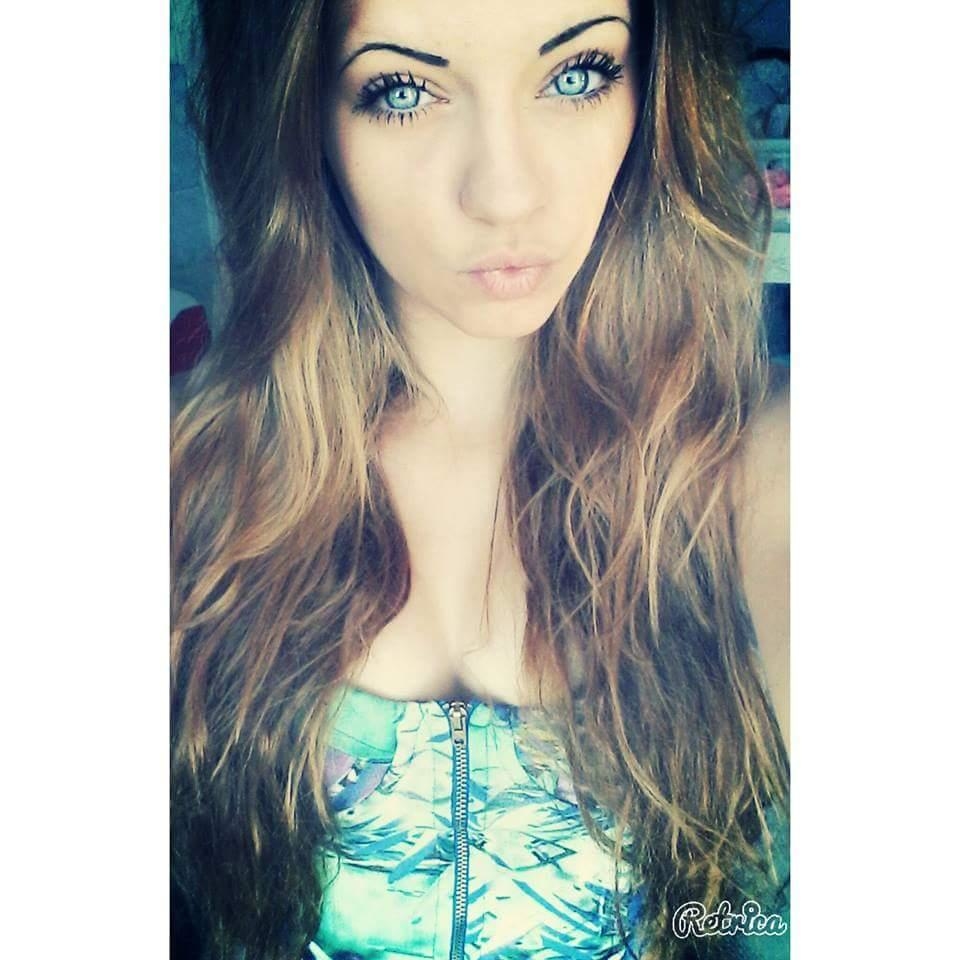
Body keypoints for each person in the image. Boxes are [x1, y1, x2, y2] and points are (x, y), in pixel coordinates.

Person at [171, 0, 790, 958]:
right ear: (301, 114)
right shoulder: (188, 484)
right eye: (402, 90)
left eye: (577, 75)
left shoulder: (760, 463)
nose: (506, 193)